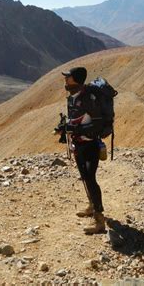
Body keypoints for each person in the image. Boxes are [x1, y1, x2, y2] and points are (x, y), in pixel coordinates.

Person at [57, 66, 106, 234]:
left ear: (76, 79)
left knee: (90, 178)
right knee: (84, 177)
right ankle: (92, 206)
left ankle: (99, 221)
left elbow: (98, 124)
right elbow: (74, 119)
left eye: (68, 77)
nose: (65, 79)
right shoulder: (72, 97)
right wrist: (64, 128)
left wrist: (77, 130)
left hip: (90, 145)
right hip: (78, 144)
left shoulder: (88, 98)